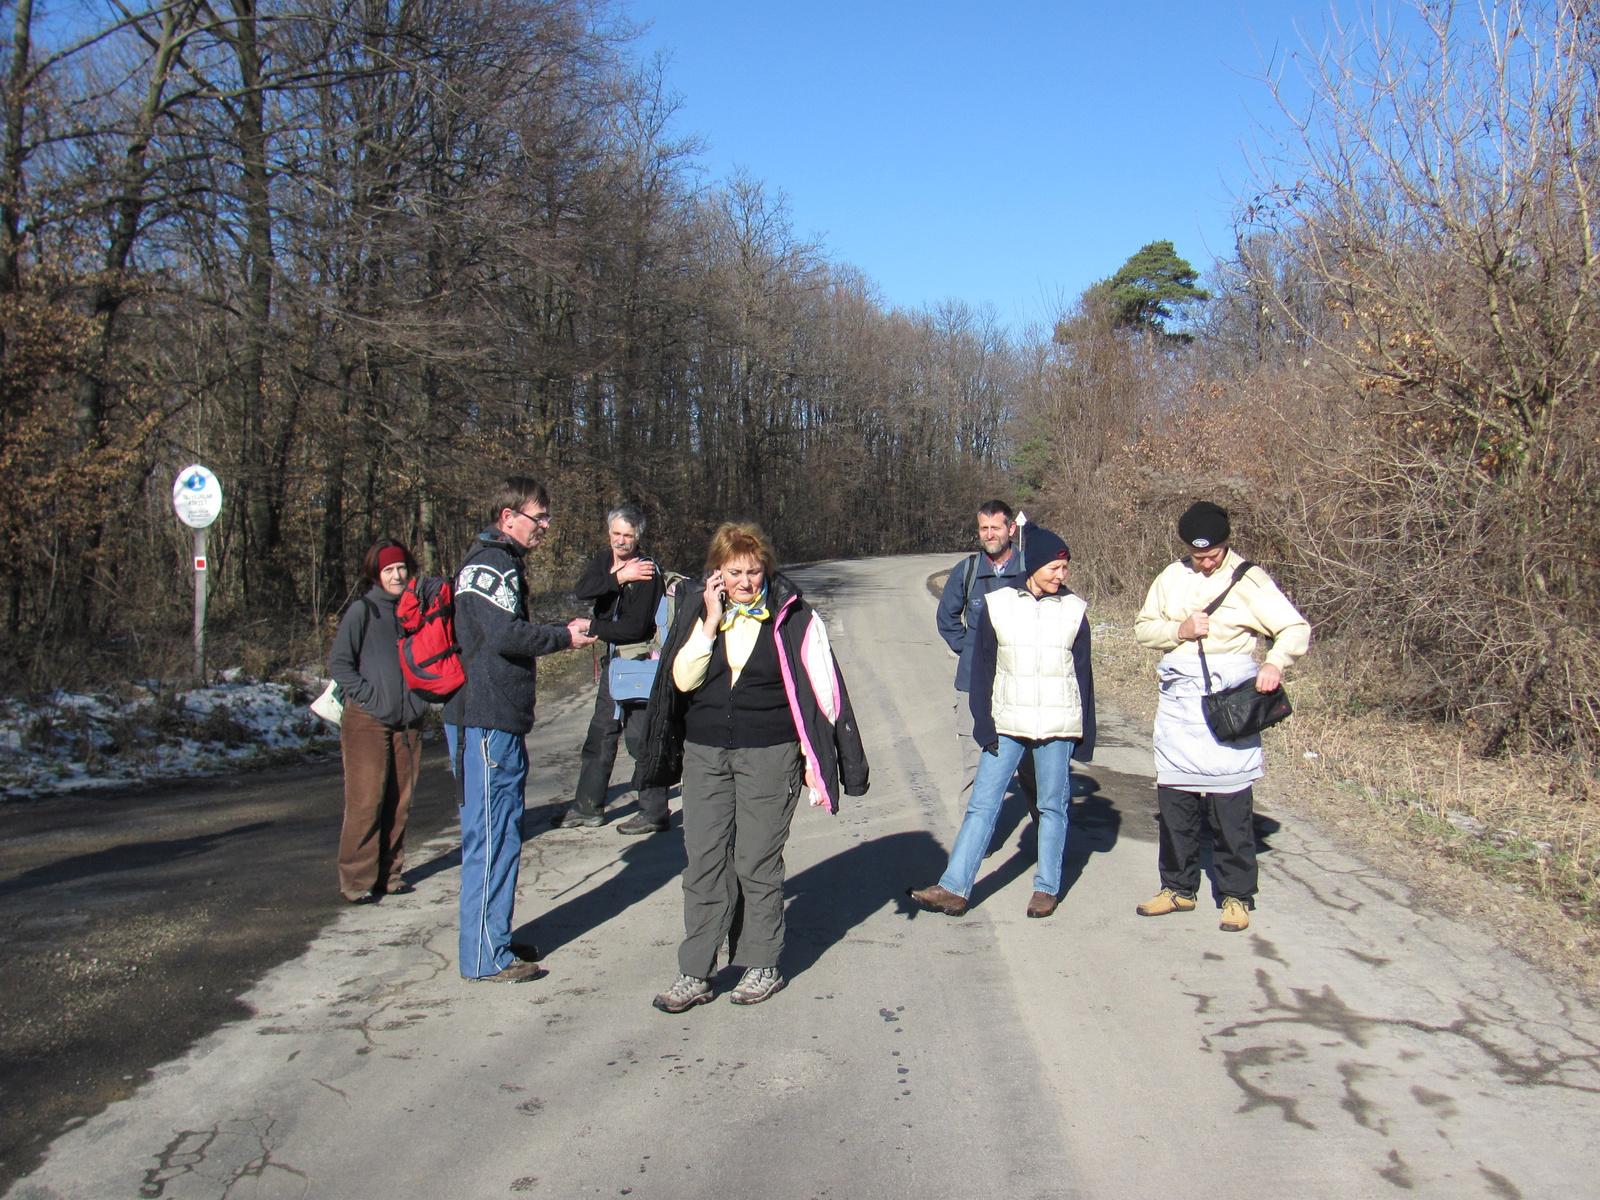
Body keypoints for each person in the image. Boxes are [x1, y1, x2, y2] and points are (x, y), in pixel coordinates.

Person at [633, 522, 869, 1012]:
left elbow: (825, 693)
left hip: (771, 752)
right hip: (705, 753)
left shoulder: (794, 616)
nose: (745, 581)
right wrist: (709, 620)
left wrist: (821, 760)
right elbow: (681, 680)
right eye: (734, 571)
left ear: (767, 571)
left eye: (753, 571)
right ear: (717, 572)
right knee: (704, 861)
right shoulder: (699, 611)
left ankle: (762, 963)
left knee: (756, 860)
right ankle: (696, 970)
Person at [443, 477, 596, 982]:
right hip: (486, 720)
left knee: (499, 832)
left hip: (487, 719)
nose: (546, 526)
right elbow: (504, 633)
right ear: (508, 517)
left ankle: (494, 942)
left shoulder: (488, 560)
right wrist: (564, 637)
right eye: (539, 517)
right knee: (492, 838)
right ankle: (487, 957)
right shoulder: (492, 561)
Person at [1132, 501, 1310, 933]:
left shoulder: (1249, 580)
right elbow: (1142, 628)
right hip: (1178, 705)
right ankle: (1177, 888)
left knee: (1231, 806)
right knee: (1176, 801)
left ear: (1227, 544)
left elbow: (1294, 627)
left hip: (1228, 705)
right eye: (1199, 556)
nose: (1207, 563)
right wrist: (1179, 631)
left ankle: (1236, 895)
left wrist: (1275, 662)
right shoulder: (1171, 577)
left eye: (1213, 554)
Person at [910, 526, 1095, 919]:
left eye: (1065, 568)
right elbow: (983, 670)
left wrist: (1086, 733)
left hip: (1057, 726)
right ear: (1034, 565)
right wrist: (983, 721)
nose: (1061, 575)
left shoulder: (1075, 610)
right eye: (1054, 567)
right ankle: (954, 888)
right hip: (1007, 721)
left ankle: (1046, 887)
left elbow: (1083, 675)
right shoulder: (999, 605)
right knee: (982, 803)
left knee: (1052, 806)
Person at [326, 539, 430, 905]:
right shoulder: (363, 611)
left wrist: (421, 698)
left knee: (400, 801)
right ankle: (357, 879)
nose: (397, 575)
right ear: (376, 574)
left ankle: (390, 873)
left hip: (410, 721)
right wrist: (370, 698)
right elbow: (340, 664)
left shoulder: (418, 609)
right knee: (366, 800)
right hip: (366, 721)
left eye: (401, 567)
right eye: (388, 570)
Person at [562, 503, 670, 833]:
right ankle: (587, 808)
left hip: (639, 665)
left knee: (641, 737)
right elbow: (583, 590)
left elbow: (635, 628)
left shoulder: (648, 572)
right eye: (615, 534)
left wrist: (594, 627)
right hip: (613, 664)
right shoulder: (604, 561)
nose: (620, 542)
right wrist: (619, 577)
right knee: (601, 733)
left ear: (638, 537)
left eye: (627, 535)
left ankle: (653, 812)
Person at [935, 501, 1036, 808]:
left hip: (1023, 686)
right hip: (972, 686)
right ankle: (972, 844)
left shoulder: (1032, 569)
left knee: (1032, 771)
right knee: (974, 765)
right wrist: (971, 653)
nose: (990, 534)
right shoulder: (967, 571)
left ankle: (1044, 840)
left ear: (1011, 529)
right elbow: (946, 619)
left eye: (996, 527)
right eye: (984, 528)